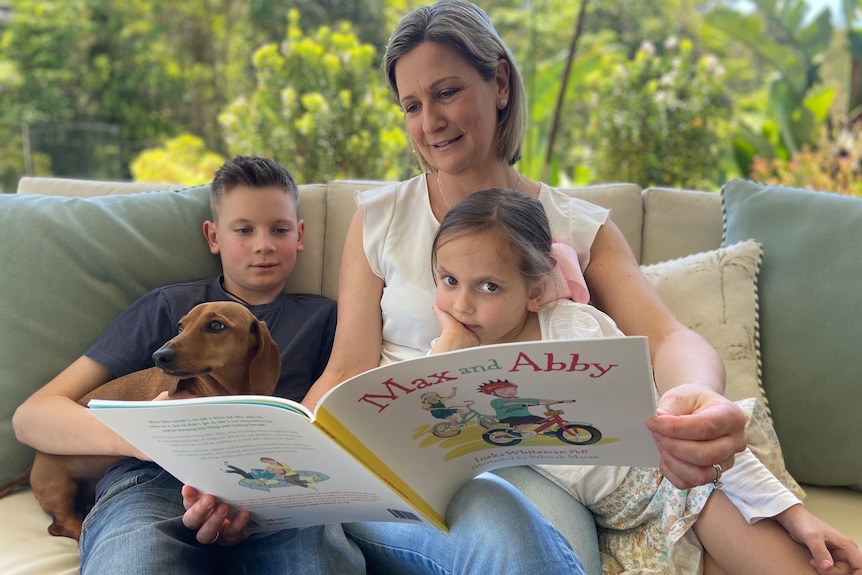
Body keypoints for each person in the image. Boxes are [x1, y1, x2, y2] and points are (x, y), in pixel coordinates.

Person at [183, 1, 743, 573]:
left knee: (526, 538)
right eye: (411, 106)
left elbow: (669, 338)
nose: (430, 122)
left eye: (447, 92)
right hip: (403, 458)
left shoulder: (576, 225)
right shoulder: (379, 219)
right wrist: (261, 472)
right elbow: (346, 370)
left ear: (499, 82)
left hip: (539, 461)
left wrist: (700, 396)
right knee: (503, 530)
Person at [428, 186, 862, 575]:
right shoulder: (449, 357)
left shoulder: (574, 328)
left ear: (536, 290)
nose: (462, 305)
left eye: (488, 287)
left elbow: (683, 427)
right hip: (620, 523)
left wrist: (793, 514)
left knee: (783, 553)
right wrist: (447, 349)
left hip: (674, 481)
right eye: (449, 281)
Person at [12, 156, 366, 574]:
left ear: (300, 235)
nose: (263, 244)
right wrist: (147, 435)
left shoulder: (324, 317)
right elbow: (31, 417)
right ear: (213, 236)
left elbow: (338, 404)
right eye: (244, 229)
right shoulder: (167, 308)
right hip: (151, 480)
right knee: (136, 560)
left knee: (316, 562)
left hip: (273, 483)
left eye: (280, 229)